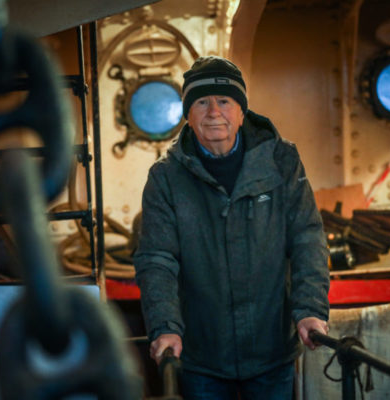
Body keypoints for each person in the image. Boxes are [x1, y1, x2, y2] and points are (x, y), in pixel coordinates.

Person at [134, 56, 330, 400]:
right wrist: (165, 327)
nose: (214, 112)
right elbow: (157, 258)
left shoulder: (281, 161)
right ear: (187, 114)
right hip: (202, 357)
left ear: (241, 111)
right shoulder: (165, 178)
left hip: (272, 353)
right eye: (202, 102)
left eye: (224, 101)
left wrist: (310, 309)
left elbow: (306, 237)